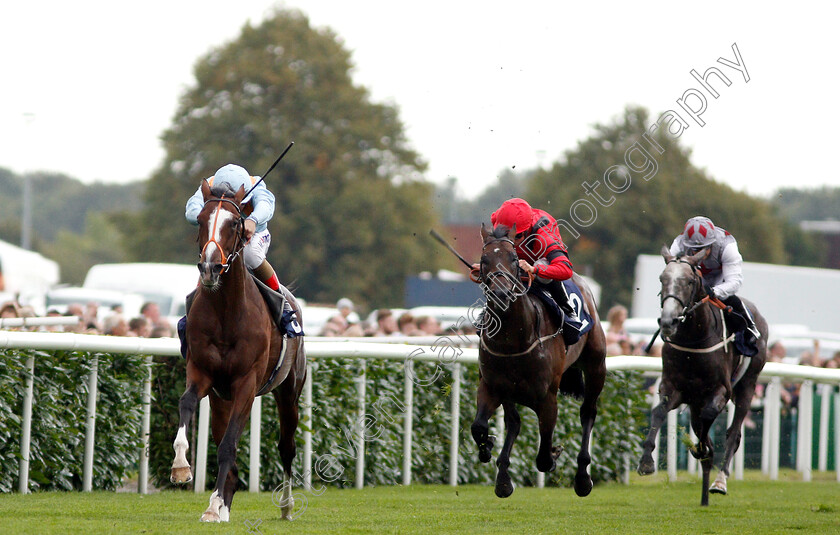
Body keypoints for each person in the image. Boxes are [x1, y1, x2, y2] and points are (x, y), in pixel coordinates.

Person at [669, 216, 760, 353]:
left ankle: (749, 329)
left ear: (711, 244)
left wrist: (715, 291)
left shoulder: (727, 246)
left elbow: (734, 281)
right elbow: (673, 278)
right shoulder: (677, 246)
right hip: (692, 280)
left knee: (729, 299)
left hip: (719, 279)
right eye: (693, 249)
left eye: (702, 249)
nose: (697, 253)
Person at [185, 163, 281, 291]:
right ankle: (193, 302)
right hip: (223, 232)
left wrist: (253, 220)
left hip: (254, 234)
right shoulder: (210, 184)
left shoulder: (256, 184)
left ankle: (280, 298)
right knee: (210, 254)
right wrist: (207, 217)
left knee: (251, 255)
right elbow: (192, 209)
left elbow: (265, 206)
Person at [473, 198, 577, 317]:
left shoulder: (545, 235)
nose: (511, 240)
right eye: (505, 235)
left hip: (539, 261)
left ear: (527, 231)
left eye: (516, 236)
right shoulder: (500, 220)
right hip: (516, 261)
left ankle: (566, 309)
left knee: (540, 265)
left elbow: (566, 270)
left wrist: (534, 270)